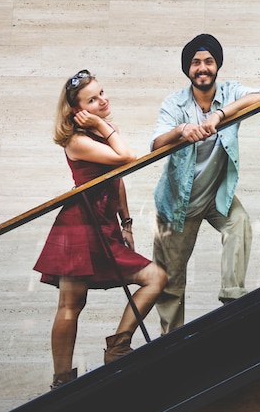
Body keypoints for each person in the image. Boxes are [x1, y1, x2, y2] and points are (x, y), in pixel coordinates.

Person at [34, 70, 167, 390]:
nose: (102, 100)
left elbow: (117, 176)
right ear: (76, 110)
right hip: (79, 227)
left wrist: (127, 223)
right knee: (71, 304)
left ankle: (118, 346)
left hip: (104, 225)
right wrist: (103, 126)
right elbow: (128, 158)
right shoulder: (78, 141)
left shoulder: (100, 136)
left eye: (102, 93)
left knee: (156, 278)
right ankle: (62, 380)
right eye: (92, 99)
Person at [151, 34, 260, 333]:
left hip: (216, 195)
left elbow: (259, 96)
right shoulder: (175, 103)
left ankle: (233, 301)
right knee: (170, 283)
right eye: (196, 63)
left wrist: (219, 114)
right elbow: (156, 144)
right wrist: (182, 129)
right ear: (188, 69)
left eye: (209, 62)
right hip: (177, 205)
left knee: (239, 224)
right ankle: (171, 342)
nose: (203, 68)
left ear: (217, 66)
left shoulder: (229, 93)